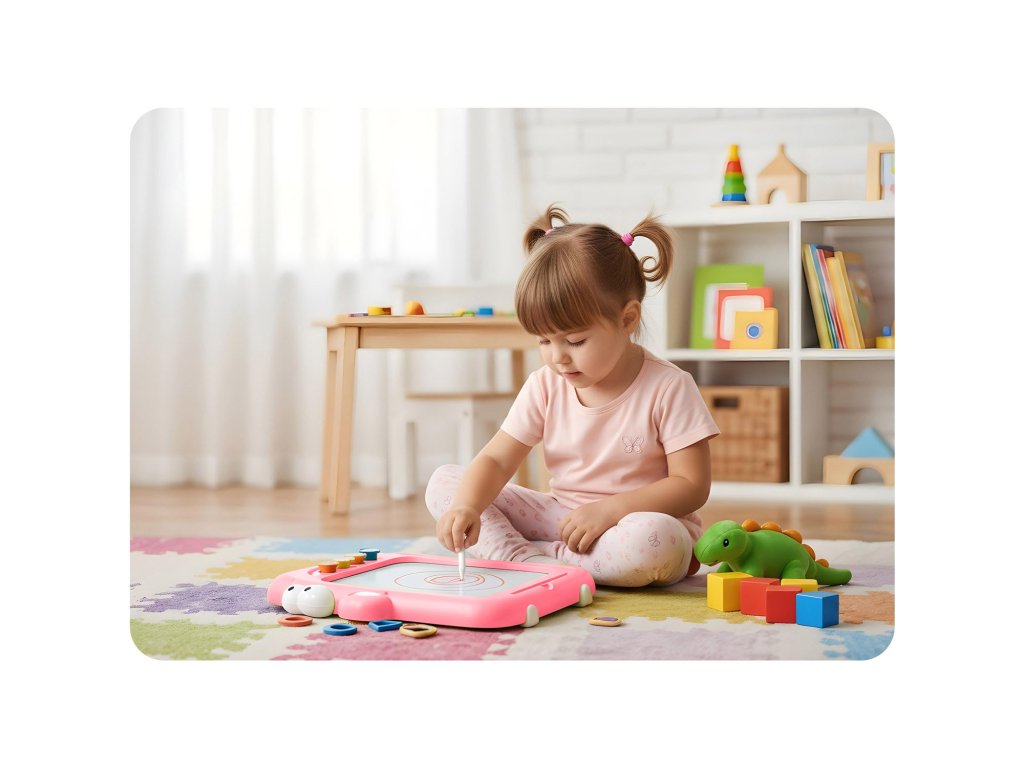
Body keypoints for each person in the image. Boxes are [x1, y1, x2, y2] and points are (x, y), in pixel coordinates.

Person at [425, 204, 720, 587]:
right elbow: (497, 459)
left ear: (627, 319)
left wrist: (611, 510)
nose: (558, 357)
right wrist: (467, 506)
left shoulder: (669, 387)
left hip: (635, 524)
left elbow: (692, 486)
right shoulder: (545, 384)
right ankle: (531, 559)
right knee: (446, 483)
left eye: (576, 341)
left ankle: (536, 560)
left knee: (655, 542)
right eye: (544, 341)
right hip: (561, 519)